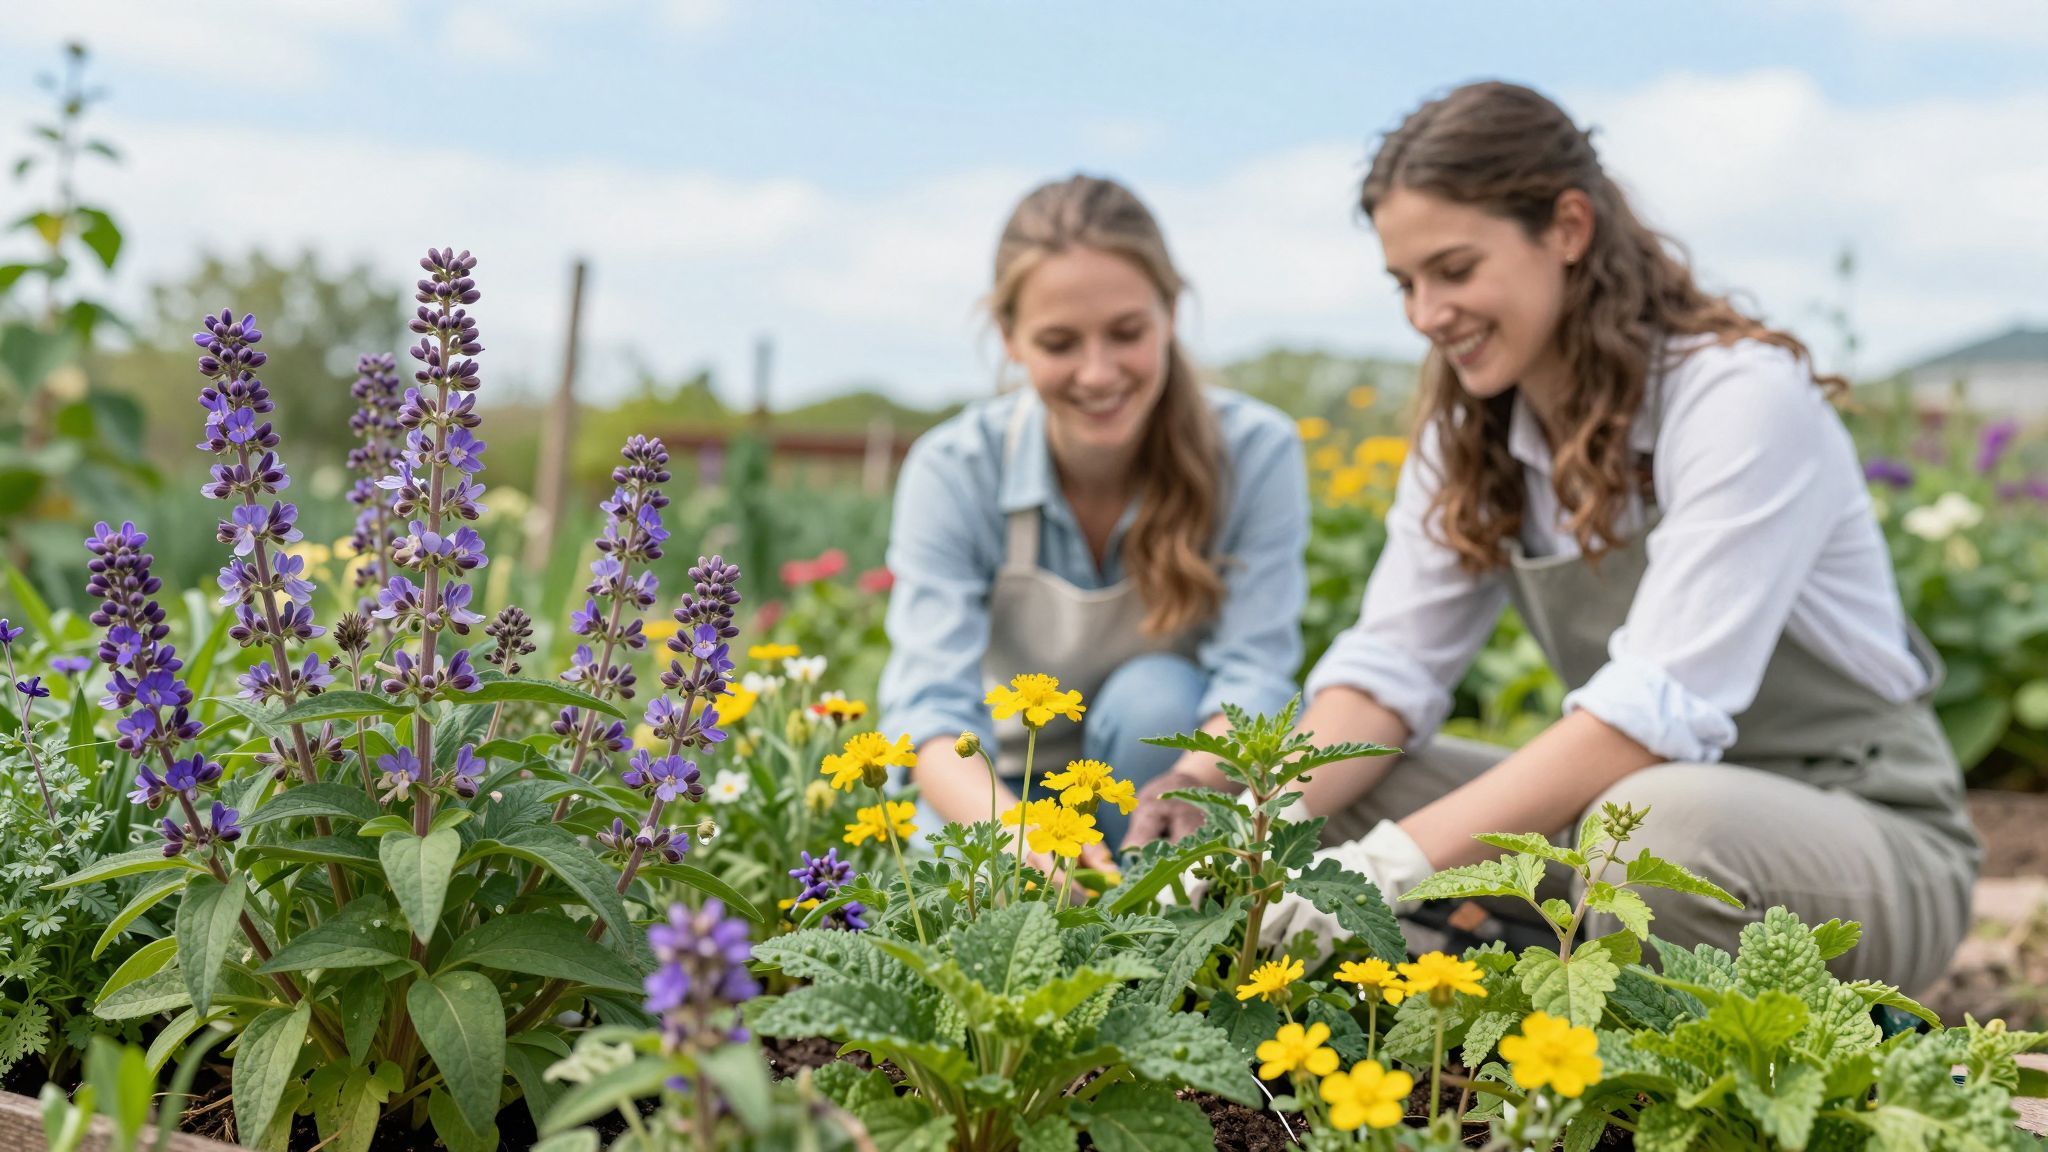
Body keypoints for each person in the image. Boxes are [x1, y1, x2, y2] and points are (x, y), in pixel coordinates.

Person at [1124, 82, 1979, 992]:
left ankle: (1551, 994)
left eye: (1454, 271)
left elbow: (1652, 712)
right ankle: (1501, 976)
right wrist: (1241, 812)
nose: (1424, 314)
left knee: (1652, 831)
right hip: (1631, 811)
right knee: (1340, 787)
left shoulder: (1738, 398)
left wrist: (1384, 869)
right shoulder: (1475, 432)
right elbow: (1387, 671)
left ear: (1568, 229)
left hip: (1855, 831)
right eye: (1404, 283)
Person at [877, 174, 1310, 872]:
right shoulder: (956, 469)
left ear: (1171, 312)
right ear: (1010, 339)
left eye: (1127, 332)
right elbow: (929, 712)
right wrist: (1014, 832)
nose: (1098, 372)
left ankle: (1161, 917)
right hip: (997, 791)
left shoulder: (1255, 454)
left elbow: (1255, 680)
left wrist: (1188, 784)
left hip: (1162, 778)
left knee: (1157, 699)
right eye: (1059, 343)